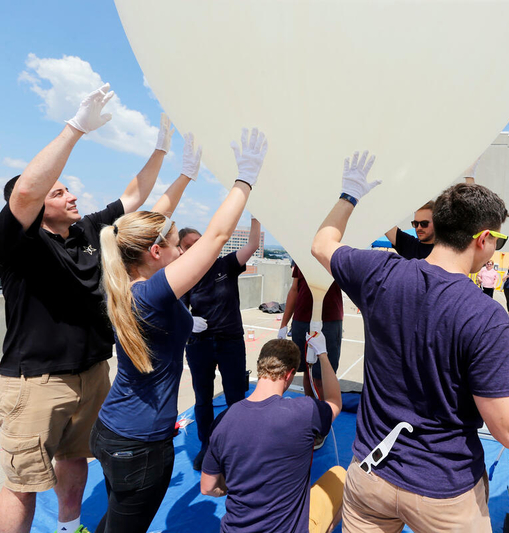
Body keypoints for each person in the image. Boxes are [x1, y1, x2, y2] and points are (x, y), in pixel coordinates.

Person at [311, 150, 509, 532]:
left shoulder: (378, 271)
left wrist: (349, 194)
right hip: (442, 491)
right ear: (483, 239)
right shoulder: (484, 315)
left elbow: (321, 243)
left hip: (370, 471)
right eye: (498, 238)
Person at [0, 84, 174, 533]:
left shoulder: (88, 230)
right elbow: (24, 196)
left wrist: (162, 151)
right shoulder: (19, 243)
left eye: (69, 189)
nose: (71, 196)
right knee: (24, 483)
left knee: (75, 458)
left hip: (92, 372)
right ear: (37, 207)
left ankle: (69, 527)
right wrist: (74, 129)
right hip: (36, 382)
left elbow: (135, 196)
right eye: (59, 193)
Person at [89, 128, 266, 533]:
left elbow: (139, 228)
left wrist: (185, 175)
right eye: (175, 246)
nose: (181, 252)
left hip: (116, 431)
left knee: (114, 521)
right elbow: (217, 237)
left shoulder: (123, 282)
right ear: (155, 253)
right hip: (139, 444)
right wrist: (246, 178)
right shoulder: (150, 294)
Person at [200, 336, 344, 533]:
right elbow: (335, 401)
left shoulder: (223, 421)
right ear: (290, 374)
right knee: (341, 476)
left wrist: (228, 487)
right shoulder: (304, 412)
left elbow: (207, 487)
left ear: (260, 368)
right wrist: (323, 355)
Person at [178, 216, 261, 470]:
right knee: (202, 398)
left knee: (235, 396)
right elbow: (174, 305)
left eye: (199, 243)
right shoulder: (184, 272)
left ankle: (237, 445)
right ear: (181, 250)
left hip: (230, 341)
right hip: (199, 343)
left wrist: (256, 216)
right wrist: (188, 320)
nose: (196, 249)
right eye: (189, 246)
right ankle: (207, 445)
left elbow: (253, 245)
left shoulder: (224, 264)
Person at [278, 263, 343, 408]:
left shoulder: (336, 257)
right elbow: (294, 290)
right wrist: (284, 324)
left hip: (329, 321)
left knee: (322, 376)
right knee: (307, 371)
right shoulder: (301, 256)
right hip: (301, 320)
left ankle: (324, 415)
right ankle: (310, 411)